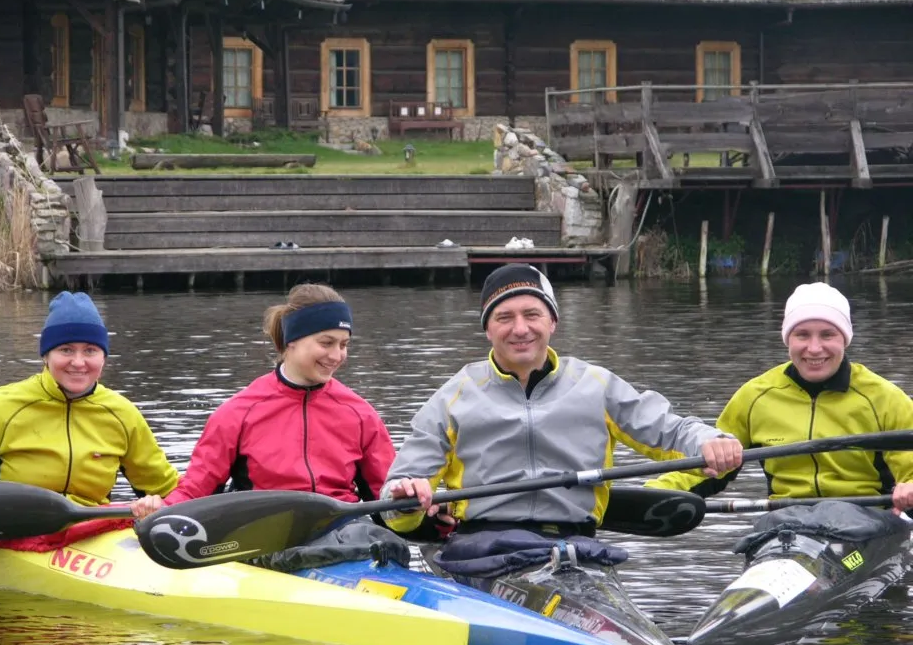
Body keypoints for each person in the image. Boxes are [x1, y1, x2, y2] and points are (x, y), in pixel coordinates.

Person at [379, 263, 742, 538]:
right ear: (488, 329)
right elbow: (396, 507)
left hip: (576, 547)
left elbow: (673, 433)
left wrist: (711, 442)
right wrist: (408, 495)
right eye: (504, 317)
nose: (520, 329)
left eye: (532, 314)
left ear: (552, 321)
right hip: (481, 547)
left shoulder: (596, 384)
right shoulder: (452, 397)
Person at [0, 291, 180, 566]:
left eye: (90, 350)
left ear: (103, 356)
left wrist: (169, 509)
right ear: (46, 355)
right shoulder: (3, 406)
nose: (78, 362)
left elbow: (166, 486)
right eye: (66, 349)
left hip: (91, 530)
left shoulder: (122, 413)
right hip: (10, 531)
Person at [130, 283, 397, 519]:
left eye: (344, 344)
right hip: (262, 534)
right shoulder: (239, 412)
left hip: (344, 529)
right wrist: (161, 509)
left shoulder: (361, 414)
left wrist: (421, 510)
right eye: (326, 343)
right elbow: (197, 490)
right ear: (291, 341)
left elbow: (386, 497)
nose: (337, 355)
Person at [646, 282, 913, 512]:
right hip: (785, 521)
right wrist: (652, 494)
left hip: (869, 522)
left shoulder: (884, 398)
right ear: (788, 340)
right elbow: (704, 467)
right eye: (802, 335)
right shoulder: (755, 396)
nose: (815, 348)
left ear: (845, 339)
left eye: (828, 335)